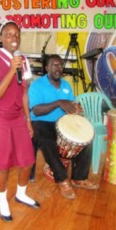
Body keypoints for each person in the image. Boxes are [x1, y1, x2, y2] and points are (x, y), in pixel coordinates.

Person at [0, 20, 39, 222]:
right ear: (0, 38)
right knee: (2, 164)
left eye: (17, 34)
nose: (14, 38)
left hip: (17, 117)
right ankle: (2, 201)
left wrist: (28, 121)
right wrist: (10, 70)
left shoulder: (23, 60)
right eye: (8, 34)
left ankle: (21, 194)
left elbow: (24, 93)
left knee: (27, 160)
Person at [28, 54, 99, 200]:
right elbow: (36, 110)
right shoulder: (37, 85)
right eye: (54, 65)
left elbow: (70, 106)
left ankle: (79, 178)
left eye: (60, 65)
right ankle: (62, 179)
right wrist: (58, 102)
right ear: (47, 68)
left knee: (86, 137)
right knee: (47, 141)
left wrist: (76, 108)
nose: (58, 68)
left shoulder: (66, 85)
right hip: (42, 122)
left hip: (63, 122)